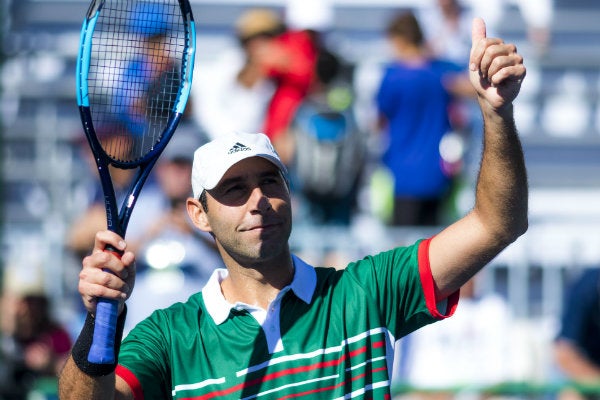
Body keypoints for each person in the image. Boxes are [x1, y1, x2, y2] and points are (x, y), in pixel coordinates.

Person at [58, 18, 528, 399]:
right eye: (234, 189)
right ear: (198, 214)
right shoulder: (172, 336)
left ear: (290, 194)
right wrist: (100, 322)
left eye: (269, 181)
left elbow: (496, 224)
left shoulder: (363, 293)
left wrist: (496, 114)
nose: (258, 199)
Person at [375, 11, 476, 226]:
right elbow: (474, 89)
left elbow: (379, 120)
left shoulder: (393, 77)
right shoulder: (440, 73)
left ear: (400, 40)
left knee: (403, 251)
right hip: (437, 173)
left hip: (402, 173)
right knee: (433, 248)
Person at [553, 268, 600, 400]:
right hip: (590, 371)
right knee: (571, 395)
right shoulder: (584, 288)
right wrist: (595, 380)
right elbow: (564, 354)